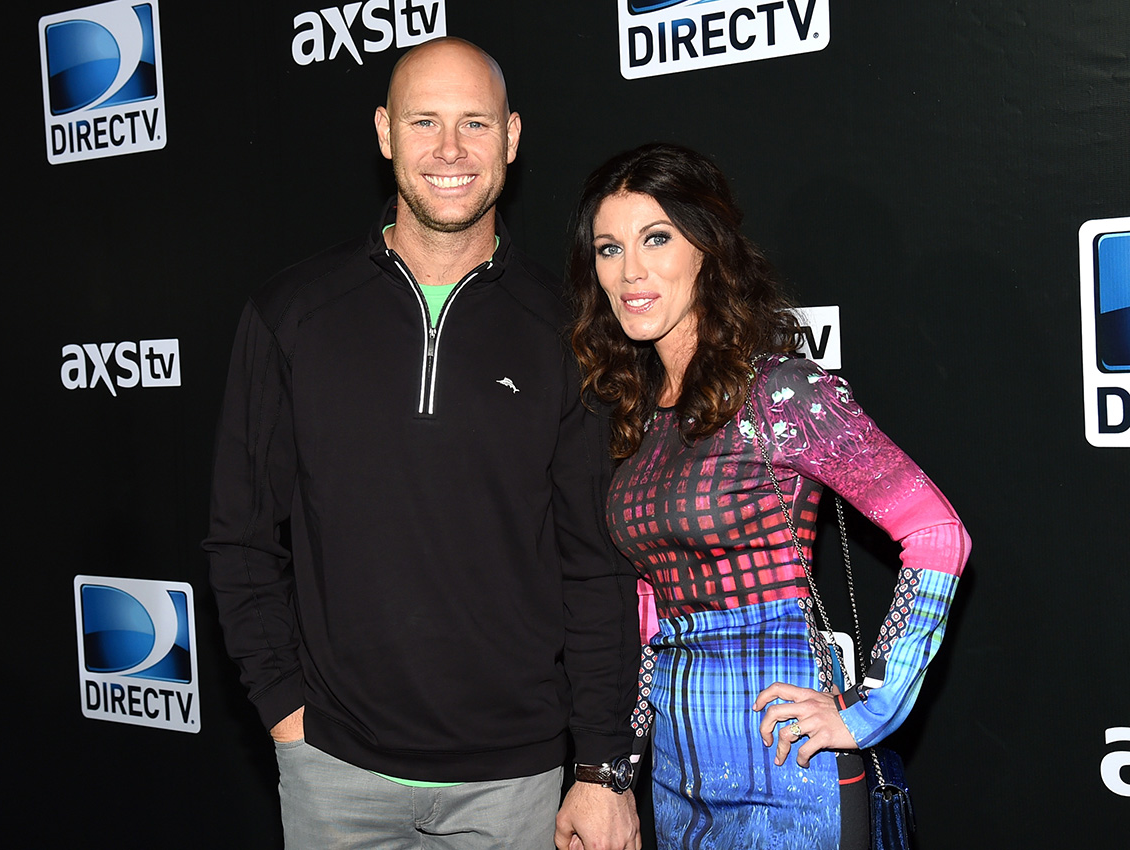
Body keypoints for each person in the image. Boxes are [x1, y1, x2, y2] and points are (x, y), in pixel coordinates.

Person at [205, 37, 641, 850]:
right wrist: (282, 708)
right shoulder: (291, 314)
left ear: (512, 137)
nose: (450, 150)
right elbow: (240, 535)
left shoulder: (570, 329)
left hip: (514, 783)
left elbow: (597, 565)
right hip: (332, 769)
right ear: (384, 132)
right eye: (425, 122)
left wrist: (602, 766)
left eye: (474, 123)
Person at [567, 143, 971, 850]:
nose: (629, 270)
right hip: (676, 774)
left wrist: (869, 709)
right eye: (609, 248)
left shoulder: (780, 393)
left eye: (656, 238)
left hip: (787, 761)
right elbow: (647, 610)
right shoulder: (636, 416)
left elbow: (938, 534)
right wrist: (622, 765)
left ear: (708, 249)